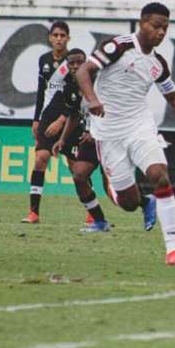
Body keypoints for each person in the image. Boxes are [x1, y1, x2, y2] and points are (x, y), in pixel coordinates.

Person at [75, 2, 175, 266]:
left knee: (160, 176)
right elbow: (83, 71)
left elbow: (172, 96)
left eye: (165, 28)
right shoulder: (118, 46)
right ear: (142, 22)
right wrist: (92, 99)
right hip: (108, 133)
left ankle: (173, 250)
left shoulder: (158, 63)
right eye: (156, 26)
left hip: (140, 127)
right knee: (127, 203)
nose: (161, 32)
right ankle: (136, 198)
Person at [49, 48, 112, 233]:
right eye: (71, 63)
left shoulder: (101, 83)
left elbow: (115, 111)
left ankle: (148, 202)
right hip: (90, 140)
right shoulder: (70, 87)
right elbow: (74, 115)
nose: (76, 66)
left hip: (110, 138)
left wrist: (96, 132)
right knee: (79, 175)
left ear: (87, 64)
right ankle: (100, 222)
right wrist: (62, 139)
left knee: (116, 192)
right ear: (67, 66)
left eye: (79, 62)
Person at [23, 20, 71, 224]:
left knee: (75, 166)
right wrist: (36, 119)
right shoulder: (43, 59)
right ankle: (34, 212)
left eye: (62, 35)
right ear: (50, 38)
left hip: (70, 118)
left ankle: (91, 213)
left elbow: (78, 95)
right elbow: (41, 92)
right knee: (41, 159)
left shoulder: (74, 60)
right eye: (55, 35)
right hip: (47, 116)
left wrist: (62, 120)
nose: (59, 39)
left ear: (68, 38)